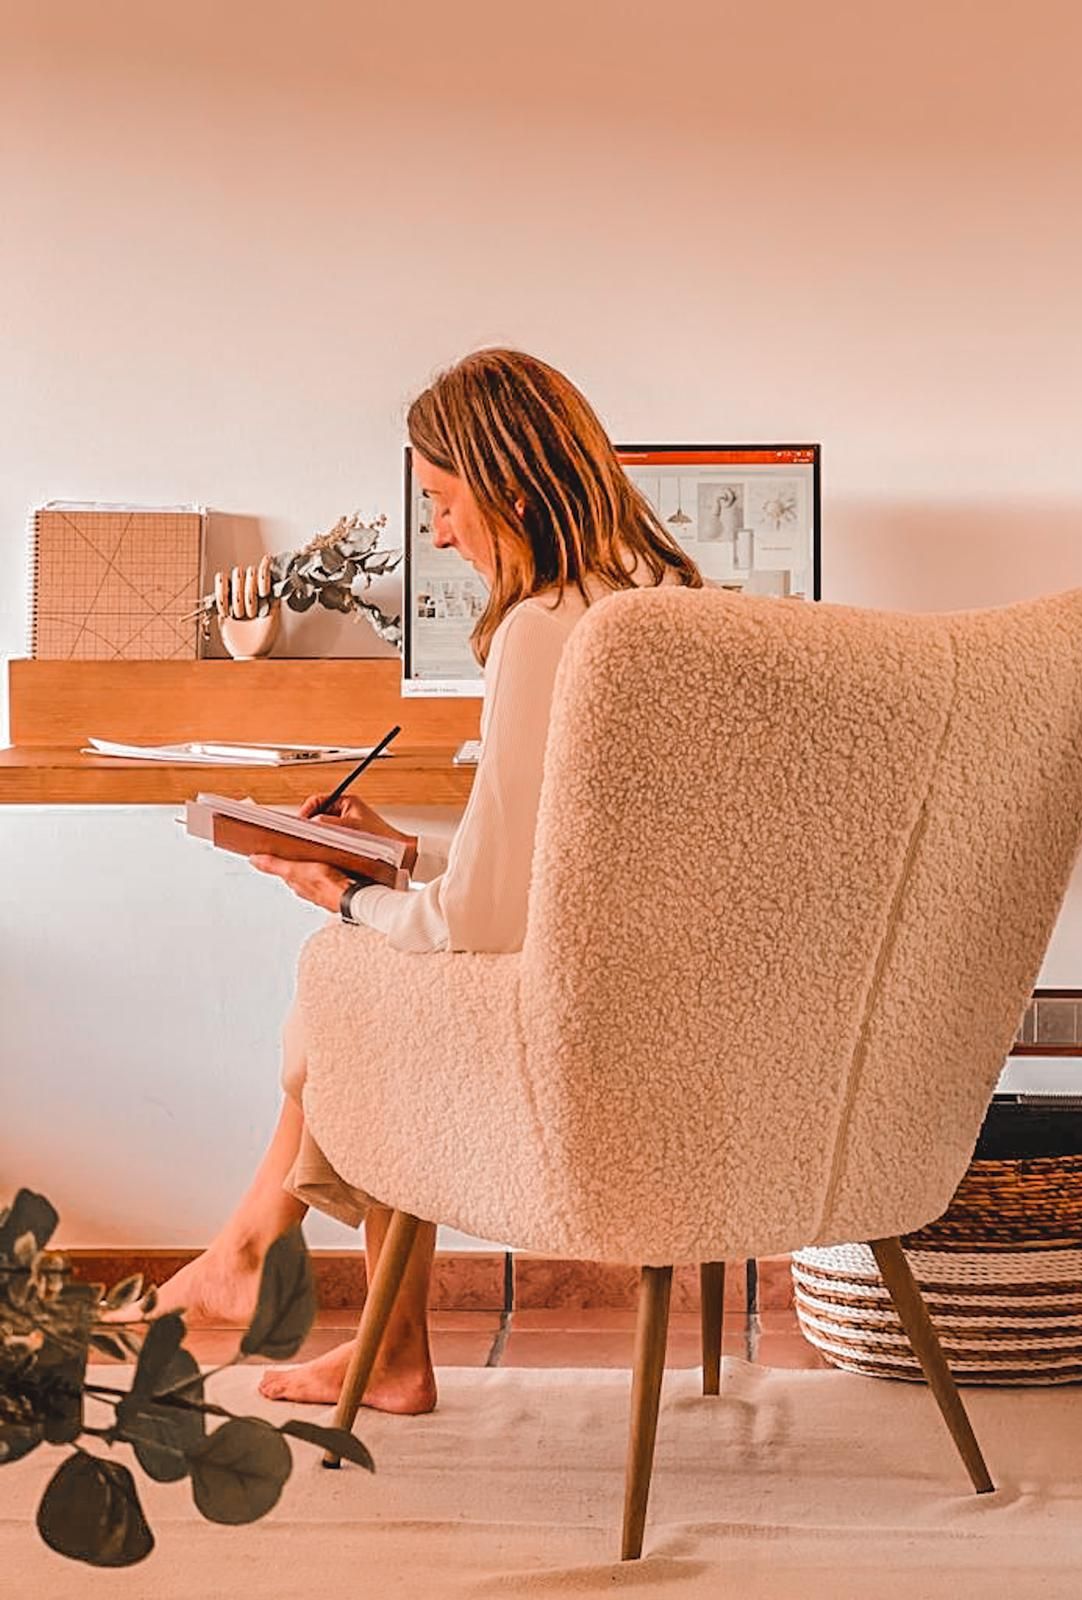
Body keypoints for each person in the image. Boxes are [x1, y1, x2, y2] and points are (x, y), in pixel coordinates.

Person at [137, 348, 704, 1415]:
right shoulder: (663, 609)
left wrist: (341, 890)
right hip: (669, 1008)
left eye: (443, 502)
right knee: (373, 965)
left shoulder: (544, 629)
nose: (437, 533)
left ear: (511, 490)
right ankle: (277, 1265)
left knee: (345, 969)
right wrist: (400, 852)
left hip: (579, 1040)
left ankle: (268, 1260)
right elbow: (575, 878)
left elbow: (487, 922)